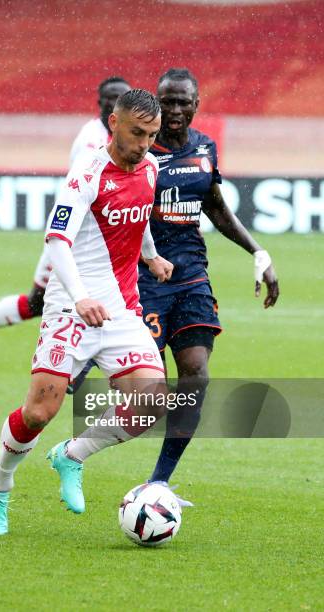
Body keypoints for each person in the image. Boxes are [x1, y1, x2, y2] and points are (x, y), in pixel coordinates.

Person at [0, 88, 174, 535]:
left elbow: (140, 215)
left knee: (153, 399)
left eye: (152, 134)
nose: (145, 143)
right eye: (137, 132)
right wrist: (82, 296)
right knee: (38, 413)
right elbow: (57, 243)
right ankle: (0, 488)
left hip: (122, 308)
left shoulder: (150, 168)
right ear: (113, 124)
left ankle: (73, 455)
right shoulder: (85, 175)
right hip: (71, 307)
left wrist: (150, 254)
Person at [138, 68, 279, 495]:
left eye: (183, 101)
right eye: (168, 100)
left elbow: (216, 208)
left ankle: (159, 482)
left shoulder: (204, 147)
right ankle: (76, 451)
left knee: (196, 376)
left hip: (192, 277)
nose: (175, 109)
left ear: (197, 104)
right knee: (149, 396)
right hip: (144, 279)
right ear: (155, 101)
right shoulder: (142, 151)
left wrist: (259, 252)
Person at [0, 77, 131, 371]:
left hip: (102, 236)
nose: (115, 104)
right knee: (46, 302)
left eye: (121, 99)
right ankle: (71, 365)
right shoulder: (92, 140)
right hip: (74, 236)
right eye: (109, 99)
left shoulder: (125, 137)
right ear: (101, 105)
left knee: (50, 302)